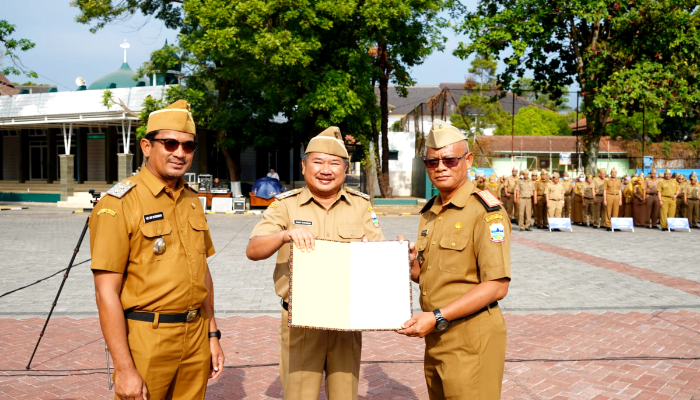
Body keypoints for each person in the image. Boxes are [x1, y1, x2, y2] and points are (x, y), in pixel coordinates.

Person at [89, 100, 224, 400]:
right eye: (170, 143)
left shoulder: (191, 200)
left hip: (195, 336)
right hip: (147, 338)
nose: (179, 152)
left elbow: (202, 272)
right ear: (147, 146)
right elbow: (105, 292)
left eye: (188, 146)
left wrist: (212, 334)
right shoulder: (119, 204)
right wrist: (124, 368)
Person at [246, 126, 384, 400]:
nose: (326, 170)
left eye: (334, 163)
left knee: (345, 395)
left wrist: (384, 254)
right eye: (318, 162)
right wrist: (285, 235)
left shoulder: (361, 206)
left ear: (345, 169)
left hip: (347, 321)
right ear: (304, 166)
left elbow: (380, 256)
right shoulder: (285, 205)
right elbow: (253, 249)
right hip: (300, 322)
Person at [397, 119, 510, 400]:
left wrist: (436, 317)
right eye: (432, 162)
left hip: (471, 336)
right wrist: (411, 263)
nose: (441, 168)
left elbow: (497, 285)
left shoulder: (485, 211)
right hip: (436, 334)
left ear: (468, 160)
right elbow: (429, 275)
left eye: (449, 160)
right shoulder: (431, 210)